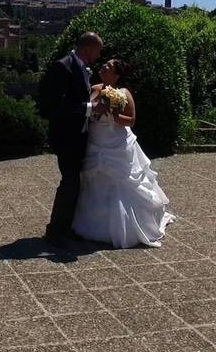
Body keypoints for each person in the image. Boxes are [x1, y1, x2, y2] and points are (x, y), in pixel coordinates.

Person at [72, 58, 175, 248]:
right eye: (104, 64)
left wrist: (113, 114)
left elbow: (131, 120)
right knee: (94, 181)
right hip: (96, 141)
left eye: (109, 66)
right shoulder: (93, 88)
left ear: (116, 75)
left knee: (120, 181)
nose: (104, 66)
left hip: (116, 144)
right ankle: (92, 223)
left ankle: (127, 227)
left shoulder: (124, 93)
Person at [40, 32, 105, 248]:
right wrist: (90, 108)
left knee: (73, 183)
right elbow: (56, 106)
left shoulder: (81, 67)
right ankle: (55, 231)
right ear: (88, 48)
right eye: (98, 50)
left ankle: (64, 228)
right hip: (66, 136)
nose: (99, 55)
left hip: (78, 135)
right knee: (69, 182)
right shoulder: (63, 66)